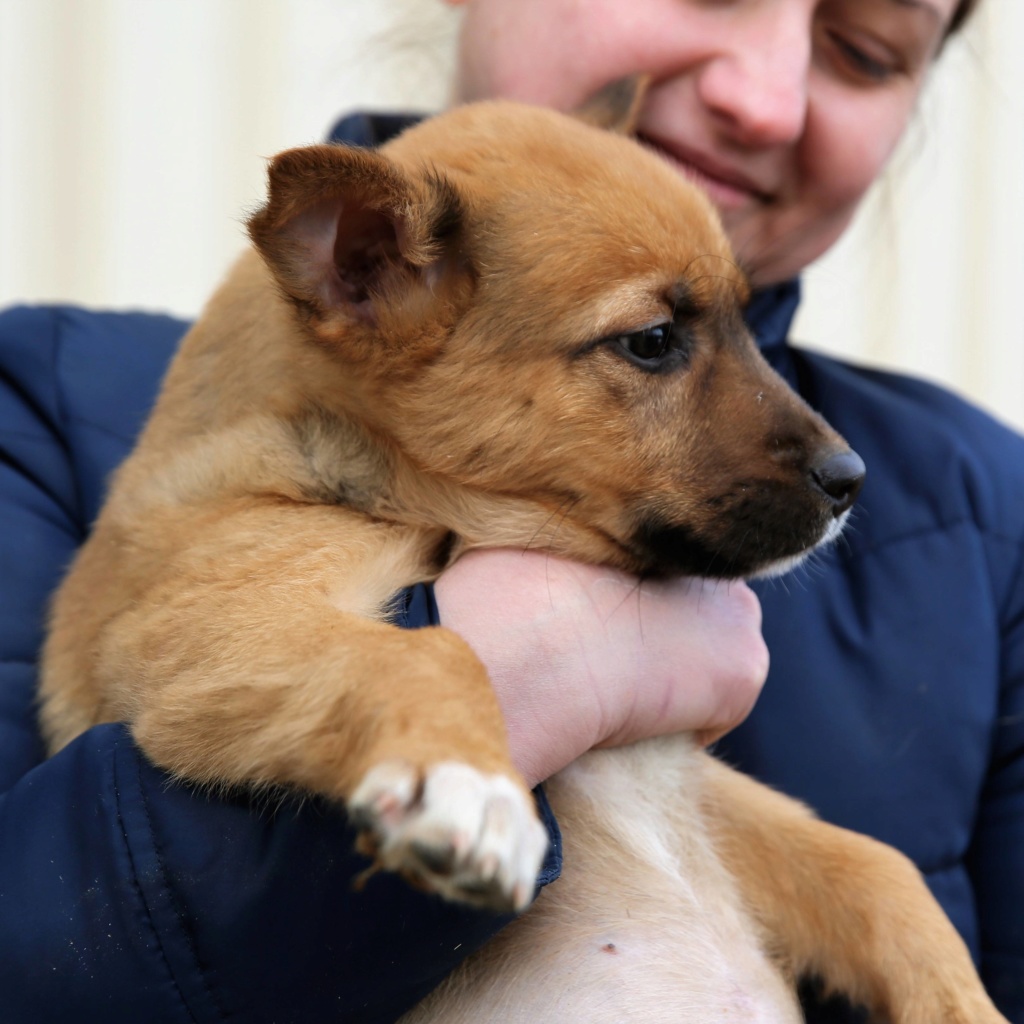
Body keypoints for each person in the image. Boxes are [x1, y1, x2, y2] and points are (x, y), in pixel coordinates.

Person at [0, 0, 1019, 1021]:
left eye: (863, 48)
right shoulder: (49, 418)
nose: (760, 95)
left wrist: (884, 912)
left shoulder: (988, 526)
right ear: (361, 268)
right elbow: (194, 674)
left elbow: (653, 813)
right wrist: (504, 679)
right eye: (655, 342)